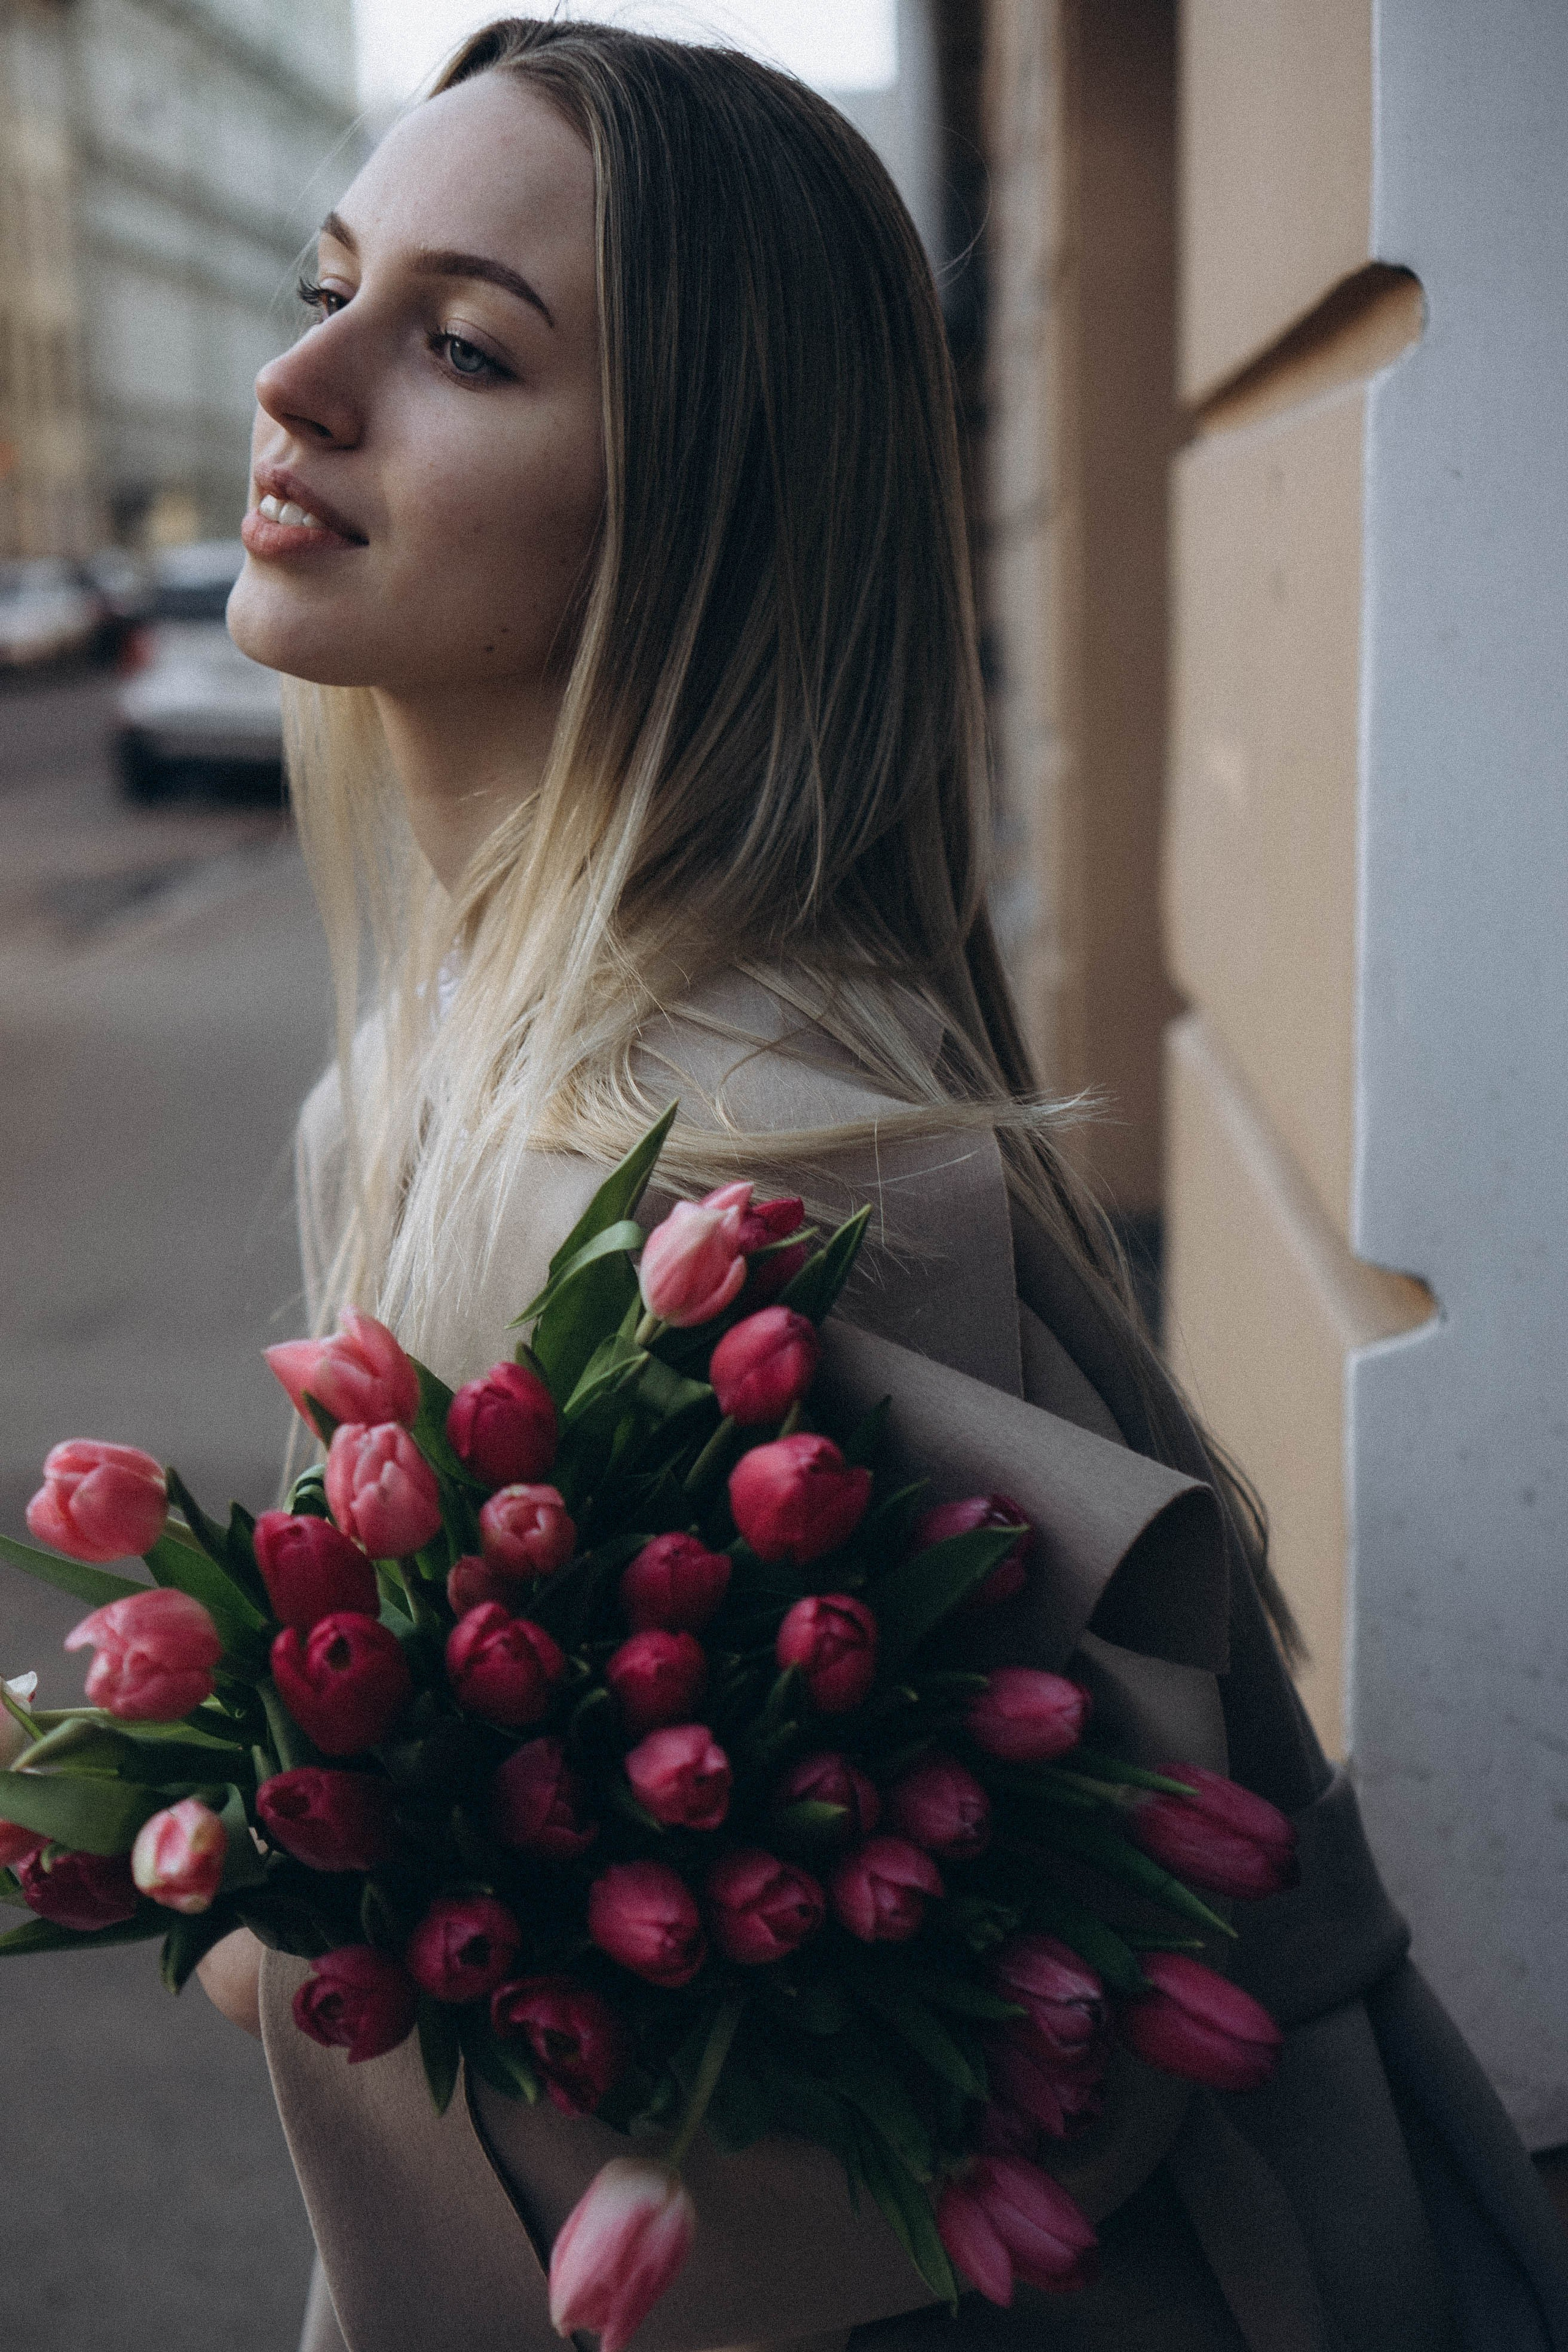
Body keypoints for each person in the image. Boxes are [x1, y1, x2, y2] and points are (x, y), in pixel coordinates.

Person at [197, 19, 1568, 2352]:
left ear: (702, 504)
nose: (300, 384)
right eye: (332, 283)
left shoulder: (761, 1164)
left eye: (459, 346)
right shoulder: (442, 1078)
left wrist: (291, 1918)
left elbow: (942, 2120)